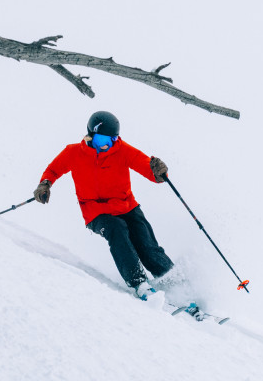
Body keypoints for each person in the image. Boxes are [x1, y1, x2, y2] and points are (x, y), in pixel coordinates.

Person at [33, 110, 174, 299]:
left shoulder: (122, 150)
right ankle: (139, 283)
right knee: (117, 231)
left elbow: (145, 166)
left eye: (112, 139)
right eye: (101, 140)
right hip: (95, 211)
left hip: (126, 206)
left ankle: (171, 281)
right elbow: (53, 170)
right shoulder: (73, 152)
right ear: (90, 135)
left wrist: (158, 173)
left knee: (145, 242)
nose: (107, 144)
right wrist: (45, 184)